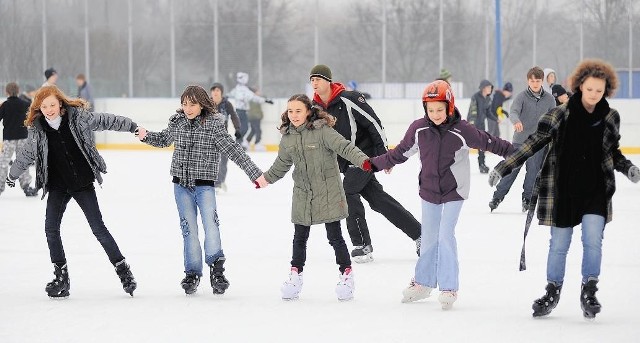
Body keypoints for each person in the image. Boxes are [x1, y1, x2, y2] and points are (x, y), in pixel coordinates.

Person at [488, 59, 640, 319]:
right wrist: (504, 167)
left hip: (594, 190)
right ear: (580, 86)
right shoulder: (558, 115)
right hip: (563, 190)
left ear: (605, 92)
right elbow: (532, 143)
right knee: (559, 244)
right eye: (589, 89)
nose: (593, 95)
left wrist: (627, 168)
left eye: (599, 91)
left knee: (593, 240)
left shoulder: (609, 117)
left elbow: (612, 152)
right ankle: (552, 289)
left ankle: (589, 289)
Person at [369, 80, 514, 309]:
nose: (435, 114)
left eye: (440, 109)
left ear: (449, 106)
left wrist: (518, 153)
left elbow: (490, 142)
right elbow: (400, 153)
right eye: (431, 110)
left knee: (445, 235)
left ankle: (449, 286)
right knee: (428, 237)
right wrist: (373, 164)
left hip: (454, 190)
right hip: (428, 190)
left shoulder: (462, 130)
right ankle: (423, 283)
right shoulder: (419, 129)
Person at [5, 85, 137, 298]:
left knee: (98, 228)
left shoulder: (78, 119)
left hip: (82, 182)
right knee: (51, 229)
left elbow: (106, 120)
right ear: (39, 107)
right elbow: (25, 155)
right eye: (44, 106)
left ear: (60, 103)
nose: (49, 109)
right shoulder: (38, 130)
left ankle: (123, 271)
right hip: (57, 185)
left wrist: (131, 126)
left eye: (52, 105)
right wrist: (12, 175)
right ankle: (61, 278)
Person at [136, 85, 263, 296]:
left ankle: (217, 270)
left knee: (211, 226)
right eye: (184, 104)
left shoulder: (214, 125)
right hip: (181, 186)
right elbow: (163, 139)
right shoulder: (177, 122)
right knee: (189, 231)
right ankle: (192, 272)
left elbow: (233, 150)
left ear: (202, 103)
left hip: (204, 186)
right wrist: (145, 135)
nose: (188, 108)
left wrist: (255, 173)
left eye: (192, 104)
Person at [254, 94, 371, 301]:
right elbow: (281, 165)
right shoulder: (288, 137)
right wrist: (265, 179)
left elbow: (344, 147)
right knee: (299, 238)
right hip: (303, 193)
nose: (294, 115)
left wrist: (364, 161)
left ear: (308, 111)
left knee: (335, 237)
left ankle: (346, 275)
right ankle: (295, 276)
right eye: (290, 111)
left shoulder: (322, 131)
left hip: (328, 192)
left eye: (298, 111)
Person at [309, 64, 421, 262]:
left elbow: (374, 123)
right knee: (379, 200)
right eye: (312, 80)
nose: (314, 83)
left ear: (328, 80)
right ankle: (421, 235)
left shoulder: (349, 99)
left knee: (348, 191)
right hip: (344, 162)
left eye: (318, 79)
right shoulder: (315, 108)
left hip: (365, 156)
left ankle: (362, 244)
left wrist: (385, 157)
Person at [488, 67, 555, 212]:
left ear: (542, 81)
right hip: (520, 141)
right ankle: (497, 197)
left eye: (538, 81)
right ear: (528, 81)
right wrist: (516, 121)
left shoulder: (550, 100)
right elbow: (513, 112)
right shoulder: (521, 97)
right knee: (512, 170)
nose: (535, 84)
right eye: (532, 81)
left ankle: (527, 199)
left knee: (533, 172)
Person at [0, 82, 38, 196]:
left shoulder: (5, 105)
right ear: (18, 91)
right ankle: (26, 186)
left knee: (3, 163)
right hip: (22, 137)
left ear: (6, 92)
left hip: (9, 139)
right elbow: (32, 119)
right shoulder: (26, 104)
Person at [227, 72, 273, 149]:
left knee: (243, 128)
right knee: (245, 128)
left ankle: (239, 142)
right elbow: (254, 97)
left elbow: (230, 94)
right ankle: (238, 142)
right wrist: (265, 100)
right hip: (241, 112)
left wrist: (265, 100)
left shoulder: (239, 89)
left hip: (241, 112)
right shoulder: (242, 90)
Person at [210, 83, 242, 193]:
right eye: (213, 90)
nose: (215, 92)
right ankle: (211, 182)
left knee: (223, 161)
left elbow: (233, 116)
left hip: (223, 137)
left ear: (221, 92)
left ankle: (219, 182)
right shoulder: (206, 104)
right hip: (209, 137)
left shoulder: (227, 104)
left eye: (217, 90)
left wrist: (237, 129)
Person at [467, 79, 494, 173]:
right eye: (489, 87)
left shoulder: (488, 99)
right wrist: (471, 124)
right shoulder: (475, 97)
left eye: (491, 87)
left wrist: (496, 119)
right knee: (466, 144)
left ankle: (482, 164)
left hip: (481, 125)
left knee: (482, 145)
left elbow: (488, 112)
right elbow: (473, 111)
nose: (490, 89)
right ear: (484, 88)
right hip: (472, 124)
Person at [246, 87, 265, 151]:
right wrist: (259, 115)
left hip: (253, 117)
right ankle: (257, 144)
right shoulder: (254, 99)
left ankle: (247, 142)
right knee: (258, 130)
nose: (259, 93)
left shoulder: (255, 99)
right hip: (254, 117)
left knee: (253, 130)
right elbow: (254, 110)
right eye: (258, 91)